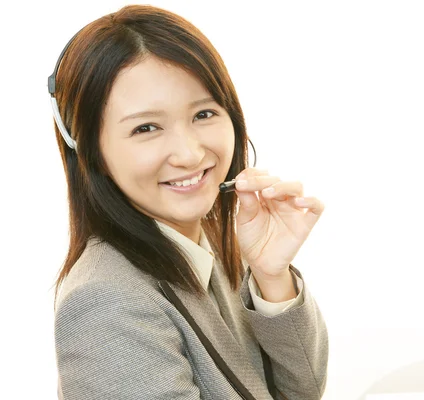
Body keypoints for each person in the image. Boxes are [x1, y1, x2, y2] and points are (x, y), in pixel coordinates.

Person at [49, 4, 328, 399]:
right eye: (146, 127)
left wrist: (271, 278)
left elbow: (303, 392)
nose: (190, 154)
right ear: (92, 151)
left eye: (204, 114)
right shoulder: (107, 301)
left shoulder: (206, 246)